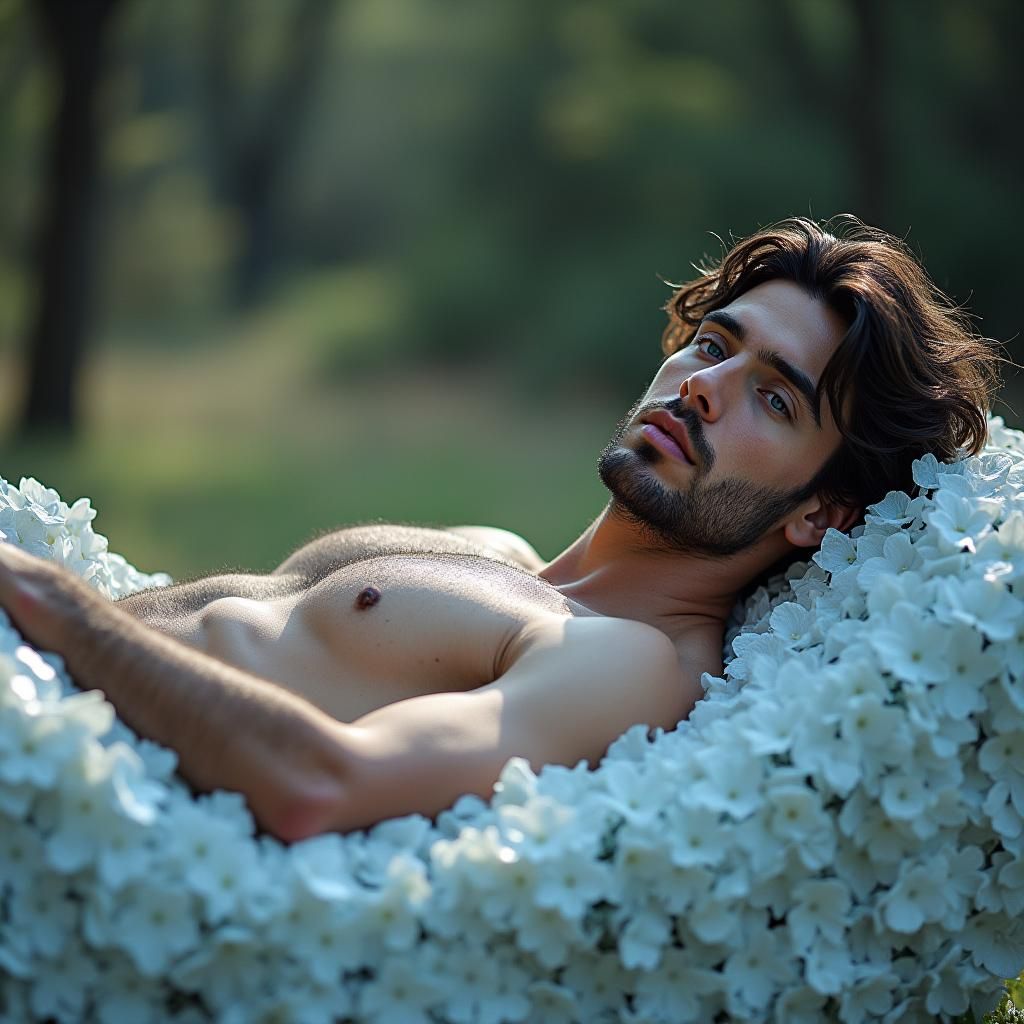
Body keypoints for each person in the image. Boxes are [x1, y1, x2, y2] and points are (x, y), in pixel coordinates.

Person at [0, 216, 1000, 844]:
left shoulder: (632, 662)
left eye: (772, 400)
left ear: (821, 514)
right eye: (712, 344)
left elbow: (320, 782)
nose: (701, 389)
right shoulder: (495, 552)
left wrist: (50, 603)